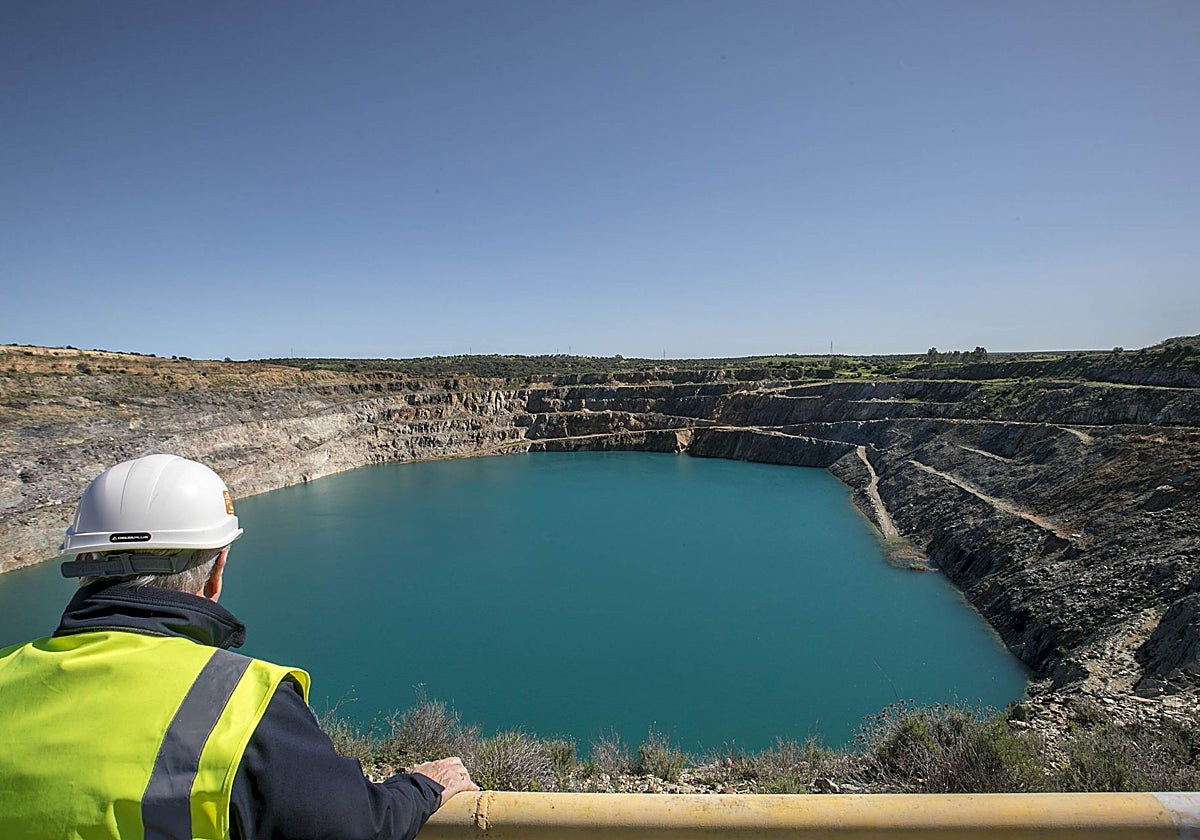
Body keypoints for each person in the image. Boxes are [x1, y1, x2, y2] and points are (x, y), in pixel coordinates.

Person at [0, 453, 478, 839]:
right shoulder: (237, 704)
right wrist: (421, 788)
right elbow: (353, 827)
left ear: (83, 562)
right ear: (216, 571)